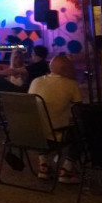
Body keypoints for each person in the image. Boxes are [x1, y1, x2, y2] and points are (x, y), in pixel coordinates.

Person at [29, 55, 84, 183]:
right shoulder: (71, 84)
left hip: (32, 135)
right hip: (54, 136)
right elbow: (79, 110)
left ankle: (44, 164)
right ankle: (67, 169)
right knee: (83, 128)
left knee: (41, 120)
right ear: (65, 69)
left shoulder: (36, 81)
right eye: (71, 66)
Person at [0, 45, 50, 128]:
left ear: (34, 54)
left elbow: (14, 71)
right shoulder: (44, 65)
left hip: (25, 92)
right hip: (29, 91)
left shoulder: (37, 65)